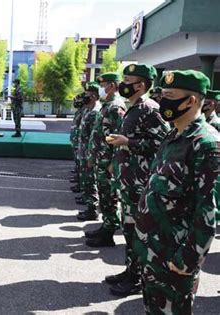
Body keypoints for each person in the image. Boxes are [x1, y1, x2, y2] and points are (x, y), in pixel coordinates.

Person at [134, 69, 219, 314]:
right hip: (153, 250)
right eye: (161, 95)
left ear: (191, 101)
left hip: (175, 258)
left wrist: (187, 260)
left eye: (169, 95)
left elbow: (208, 210)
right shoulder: (174, 135)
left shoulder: (206, 144)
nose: (162, 101)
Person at [106, 64, 171, 296]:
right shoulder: (133, 107)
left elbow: (163, 143)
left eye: (128, 80)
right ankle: (131, 271)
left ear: (141, 85)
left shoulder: (150, 109)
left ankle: (138, 278)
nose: (123, 84)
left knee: (140, 233)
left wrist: (128, 143)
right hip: (128, 183)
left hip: (141, 184)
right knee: (129, 229)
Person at [85, 72, 126, 246]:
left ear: (113, 86)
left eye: (104, 85)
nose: (101, 88)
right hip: (101, 158)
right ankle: (106, 225)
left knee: (110, 197)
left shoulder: (116, 107)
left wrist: (113, 161)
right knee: (104, 196)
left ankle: (109, 232)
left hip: (107, 161)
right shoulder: (106, 105)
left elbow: (118, 136)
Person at [76, 82, 101, 221]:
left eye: (86, 95)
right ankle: (89, 205)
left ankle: (92, 210)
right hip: (84, 152)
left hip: (89, 153)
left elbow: (95, 136)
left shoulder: (95, 112)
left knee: (91, 181)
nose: (83, 98)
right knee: (86, 180)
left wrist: (91, 155)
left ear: (93, 96)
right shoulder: (89, 110)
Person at [69, 93, 86, 193]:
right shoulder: (81, 111)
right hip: (77, 140)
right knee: (78, 162)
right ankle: (79, 179)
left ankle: (82, 187)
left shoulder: (87, 111)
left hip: (83, 143)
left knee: (83, 166)